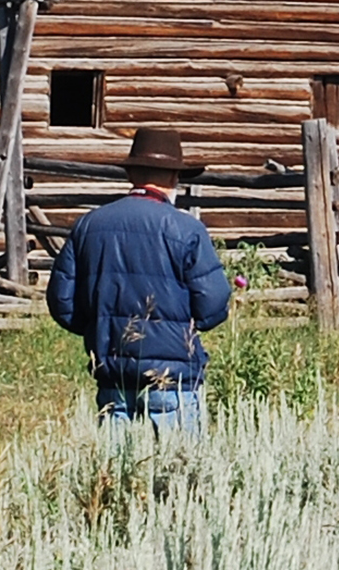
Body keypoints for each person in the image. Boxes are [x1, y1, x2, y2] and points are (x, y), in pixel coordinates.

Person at [48, 124, 232, 431]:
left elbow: (62, 301)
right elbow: (213, 303)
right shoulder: (186, 229)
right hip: (174, 377)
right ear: (174, 178)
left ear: (131, 175)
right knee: (177, 470)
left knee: (115, 474)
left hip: (113, 372)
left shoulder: (89, 225)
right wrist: (187, 330)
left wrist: (99, 328)